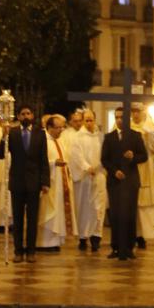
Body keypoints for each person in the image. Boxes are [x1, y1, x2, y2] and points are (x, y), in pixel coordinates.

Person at [0, 106, 50, 262]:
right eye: (23, 114)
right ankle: (18, 251)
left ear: (32, 115)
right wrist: (3, 137)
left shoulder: (40, 134)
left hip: (34, 182)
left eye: (28, 113)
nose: (26, 116)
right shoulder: (12, 133)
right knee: (18, 219)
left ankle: (31, 251)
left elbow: (44, 159)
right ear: (18, 116)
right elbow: (1, 154)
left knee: (33, 219)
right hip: (17, 182)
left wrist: (45, 182)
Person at [101, 106, 148, 260]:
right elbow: (104, 159)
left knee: (129, 214)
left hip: (131, 181)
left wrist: (133, 156)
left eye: (122, 117)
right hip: (114, 181)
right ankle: (115, 247)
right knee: (115, 214)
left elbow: (144, 156)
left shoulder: (135, 135)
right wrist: (114, 171)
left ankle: (129, 247)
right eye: (117, 117)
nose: (119, 120)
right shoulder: (109, 137)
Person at [68, 107, 106, 251]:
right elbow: (76, 155)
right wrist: (86, 167)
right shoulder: (77, 137)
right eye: (86, 120)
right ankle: (83, 237)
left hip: (99, 176)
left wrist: (98, 167)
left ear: (95, 120)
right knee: (83, 208)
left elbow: (105, 154)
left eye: (91, 120)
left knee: (98, 208)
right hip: (84, 178)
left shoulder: (100, 137)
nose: (89, 123)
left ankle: (96, 236)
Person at [36, 113, 76, 250]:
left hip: (60, 183)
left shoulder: (58, 141)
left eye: (62, 127)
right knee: (48, 213)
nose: (61, 130)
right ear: (49, 127)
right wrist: (54, 163)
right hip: (49, 183)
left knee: (58, 213)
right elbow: (38, 162)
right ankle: (44, 243)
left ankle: (55, 242)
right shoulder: (42, 141)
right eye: (58, 128)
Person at [134, 103, 154, 248]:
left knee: (145, 207)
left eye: (138, 111)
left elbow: (153, 148)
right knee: (132, 204)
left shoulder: (151, 127)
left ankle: (143, 235)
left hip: (147, 167)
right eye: (133, 111)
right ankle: (132, 234)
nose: (135, 114)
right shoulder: (125, 125)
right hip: (131, 167)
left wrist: (149, 133)